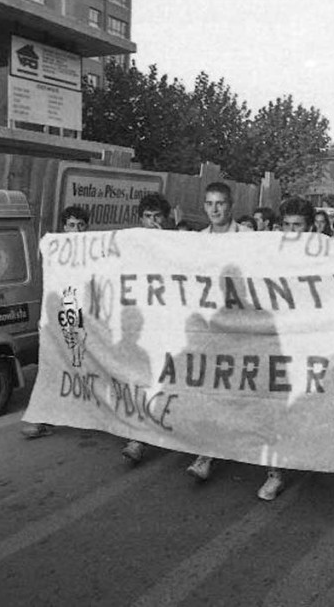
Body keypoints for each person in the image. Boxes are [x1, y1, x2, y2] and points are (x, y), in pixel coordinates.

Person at [252, 197, 318, 501]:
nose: (292, 232)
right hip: (276, 344)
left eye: (298, 226)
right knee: (273, 408)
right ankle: (274, 473)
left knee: (309, 407)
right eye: (287, 226)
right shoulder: (269, 256)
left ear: (311, 228)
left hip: (311, 345)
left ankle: (316, 456)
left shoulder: (327, 256)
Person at [187, 182, 252, 482]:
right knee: (211, 390)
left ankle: (257, 449)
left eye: (220, 203)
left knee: (245, 391)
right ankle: (207, 453)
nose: (215, 209)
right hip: (213, 327)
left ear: (231, 205)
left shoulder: (250, 239)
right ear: (204, 206)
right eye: (210, 203)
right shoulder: (198, 241)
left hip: (242, 326)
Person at [22, 206, 90, 439]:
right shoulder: (55, 250)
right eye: (71, 225)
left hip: (86, 319)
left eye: (81, 225)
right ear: (63, 227)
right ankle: (42, 418)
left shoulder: (93, 254)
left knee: (85, 365)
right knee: (53, 366)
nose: (76, 230)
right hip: (59, 318)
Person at [120, 193, 174, 463]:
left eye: (157, 217)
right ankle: (138, 437)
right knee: (143, 379)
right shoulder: (132, 245)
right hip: (142, 326)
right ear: (140, 219)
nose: (152, 222)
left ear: (166, 219)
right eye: (148, 217)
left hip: (170, 327)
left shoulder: (178, 245)